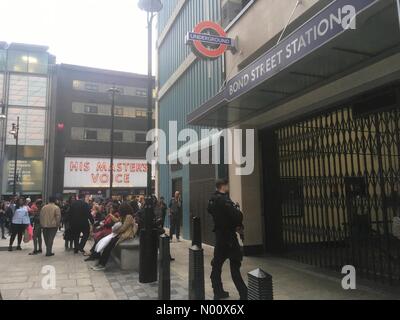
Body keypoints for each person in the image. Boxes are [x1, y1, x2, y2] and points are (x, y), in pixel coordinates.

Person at [207, 179, 248, 300]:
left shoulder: (212, 199)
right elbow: (237, 216)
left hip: (219, 236)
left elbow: (209, 210)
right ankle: (244, 293)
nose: (228, 187)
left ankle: (217, 291)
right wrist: (237, 210)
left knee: (217, 265)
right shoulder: (224, 199)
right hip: (229, 237)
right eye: (227, 185)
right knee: (235, 265)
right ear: (223, 186)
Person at [91, 202, 136, 271]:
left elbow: (124, 228)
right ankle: (101, 263)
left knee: (108, 247)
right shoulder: (124, 216)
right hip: (120, 234)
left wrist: (115, 231)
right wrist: (110, 215)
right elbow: (118, 221)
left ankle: (102, 264)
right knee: (107, 246)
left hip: (125, 235)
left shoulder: (129, 216)